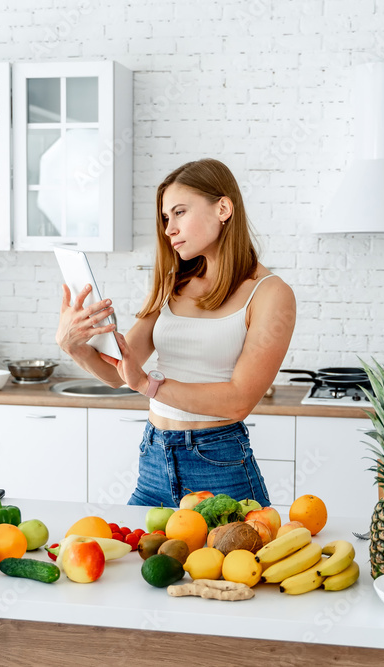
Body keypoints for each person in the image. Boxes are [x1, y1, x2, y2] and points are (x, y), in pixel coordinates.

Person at [56, 158, 296, 508]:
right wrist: (73, 345)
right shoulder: (174, 283)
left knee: (231, 564)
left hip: (219, 466)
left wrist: (146, 385)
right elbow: (115, 373)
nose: (169, 229)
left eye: (180, 212)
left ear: (223, 208)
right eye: (166, 217)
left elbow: (239, 400)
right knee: (131, 563)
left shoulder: (271, 293)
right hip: (154, 460)